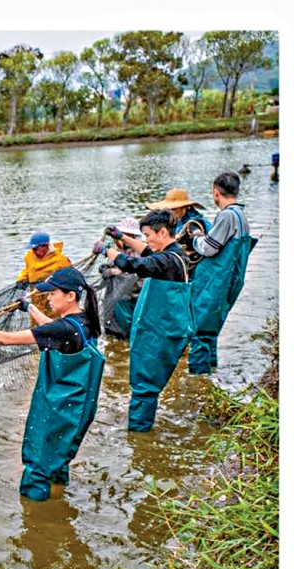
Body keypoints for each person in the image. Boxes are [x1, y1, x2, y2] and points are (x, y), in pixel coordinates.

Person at [0, 266, 104, 501]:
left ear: (70, 296)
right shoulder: (84, 321)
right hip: (78, 407)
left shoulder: (64, 329)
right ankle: (59, 500)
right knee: (58, 458)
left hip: (59, 409)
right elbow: (51, 329)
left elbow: (6, 339)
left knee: (38, 464)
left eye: (52, 293)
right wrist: (29, 307)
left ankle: (35, 512)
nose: (48, 298)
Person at [102, 210, 193, 432]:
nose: (146, 240)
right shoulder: (174, 254)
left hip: (160, 331)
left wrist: (108, 251)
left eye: (148, 235)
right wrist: (122, 237)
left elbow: (138, 265)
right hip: (166, 327)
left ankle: (138, 434)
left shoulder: (167, 260)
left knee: (145, 384)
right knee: (147, 381)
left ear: (162, 233)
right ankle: (143, 428)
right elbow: (147, 252)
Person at [187, 171, 257, 375]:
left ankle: (197, 380)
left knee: (200, 332)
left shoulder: (227, 216)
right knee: (210, 331)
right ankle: (211, 376)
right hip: (229, 282)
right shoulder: (241, 216)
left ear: (216, 192)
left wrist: (195, 238)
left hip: (215, 283)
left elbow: (209, 248)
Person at [93, 217, 146, 339]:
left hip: (134, 293)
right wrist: (105, 269)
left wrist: (112, 271)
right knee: (112, 316)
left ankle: (124, 342)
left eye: (127, 235)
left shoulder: (139, 251)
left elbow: (132, 270)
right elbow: (117, 262)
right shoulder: (120, 249)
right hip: (120, 292)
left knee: (127, 320)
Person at [145, 187, 211, 272]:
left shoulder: (193, 223)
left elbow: (199, 237)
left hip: (197, 266)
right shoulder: (178, 220)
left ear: (184, 208)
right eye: (169, 209)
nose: (171, 212)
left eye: (174, 209)